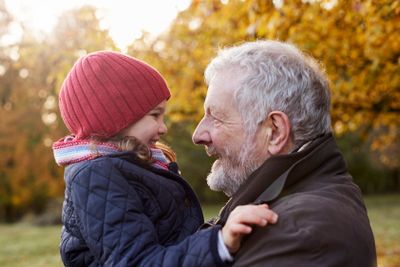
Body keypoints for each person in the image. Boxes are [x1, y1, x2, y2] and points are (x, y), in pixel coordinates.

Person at [52, 51, 278, 266]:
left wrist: (224, 228)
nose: (163, 128)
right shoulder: (97, 177)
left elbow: (173, 238)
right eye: (155, 115)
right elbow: (136, 261)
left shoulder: (129, 167)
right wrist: (219, 242)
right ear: (116, 120)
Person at [192, 40, 377, 267]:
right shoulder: (288, 207)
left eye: (216, 118)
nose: (198, 134)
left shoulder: (299, 233)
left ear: (276, 132)